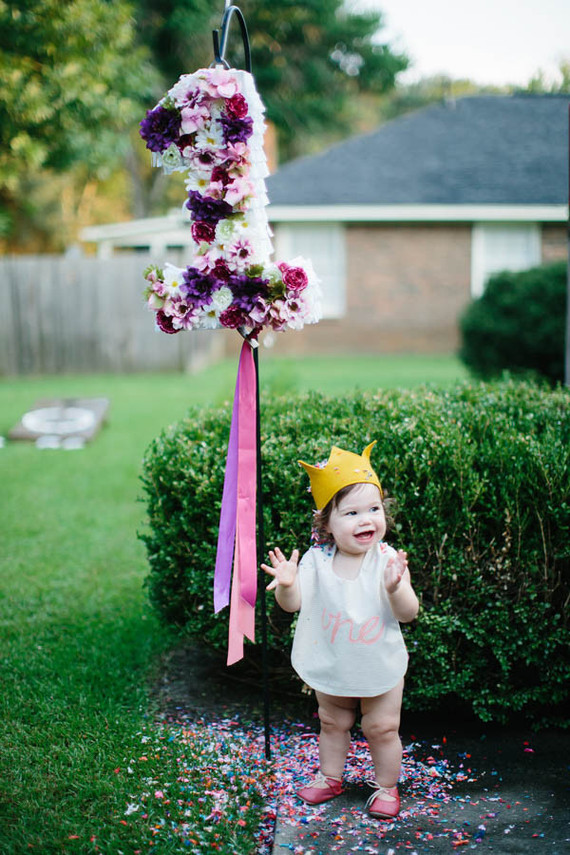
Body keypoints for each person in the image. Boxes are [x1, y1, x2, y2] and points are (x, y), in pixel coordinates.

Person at [262, 442, 419, 819]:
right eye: (351, 512)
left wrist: (397, 587)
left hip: (377, 664)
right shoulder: (317, 561)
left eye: (374, 509)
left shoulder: (387, 562)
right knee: (332, 722)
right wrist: (286, 583)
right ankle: (331, 776)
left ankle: (386, 786)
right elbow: (294, 603)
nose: (366, 519)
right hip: (332, 661)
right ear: (326, 524)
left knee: (381, 727)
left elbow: (409, 613)